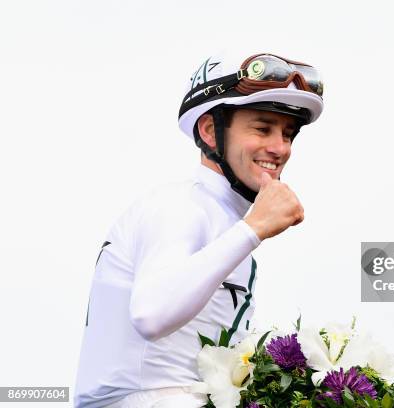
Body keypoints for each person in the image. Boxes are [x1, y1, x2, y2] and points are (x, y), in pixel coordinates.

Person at [74, 52, 324, 408]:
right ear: (209, 131)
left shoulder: (224, 222)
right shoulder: (180, 205)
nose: (280, 148)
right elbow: (151, 314)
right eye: (262, 128)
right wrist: (255, 227)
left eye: (288, 134)